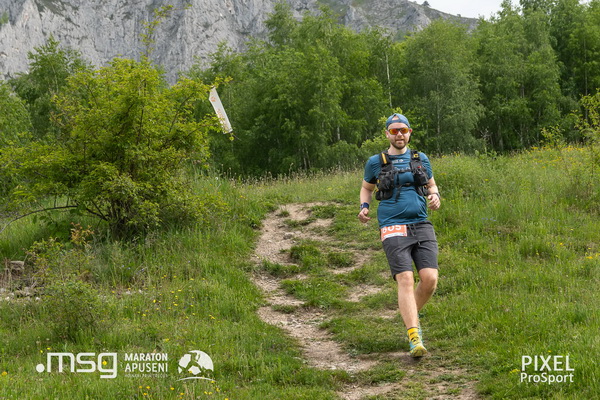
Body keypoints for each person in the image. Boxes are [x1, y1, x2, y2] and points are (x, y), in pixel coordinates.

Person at [357, 113, 441, 358]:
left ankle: (408, 315)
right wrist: (364, 207)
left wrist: (435, 195)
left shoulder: (420, 158)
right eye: (394, 131)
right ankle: (414, 336)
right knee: (405, 278)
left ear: (409, 132)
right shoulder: (376, 162)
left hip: (421, 223)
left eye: (403, 130)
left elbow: (431, 185)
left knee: (430, 279)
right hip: (392, 225)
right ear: (387, 134)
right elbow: (366, 188)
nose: (399, 135)